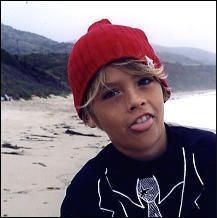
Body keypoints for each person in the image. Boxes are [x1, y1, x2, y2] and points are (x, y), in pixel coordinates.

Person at [61, 19, 216, 217]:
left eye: (144, 81)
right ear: (89, 116)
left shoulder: (209, 155)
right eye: (111, 93)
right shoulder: (86, 196)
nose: (135, 101)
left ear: (164, 89)